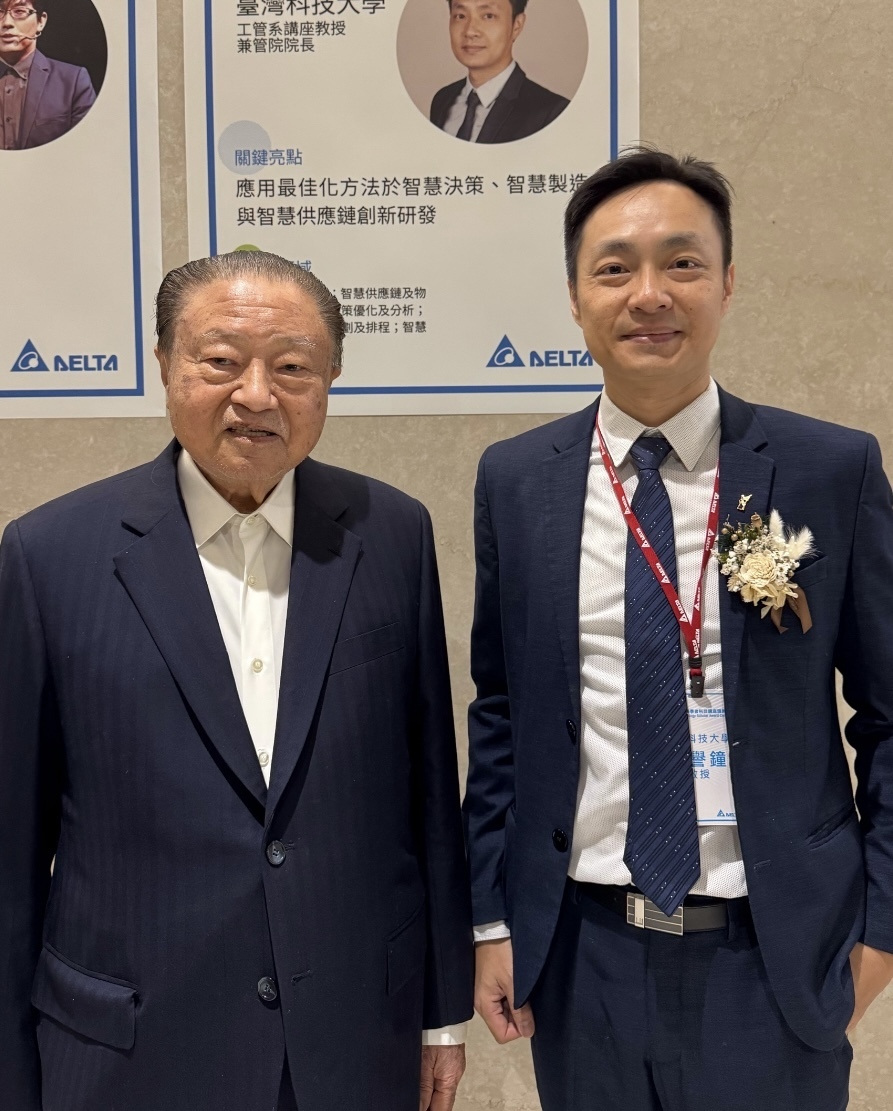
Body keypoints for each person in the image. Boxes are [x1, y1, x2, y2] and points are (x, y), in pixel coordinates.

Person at [464, 147, 893, 1111]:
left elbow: (889, 714)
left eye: (683, 263)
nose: (648, 293)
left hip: (777, 955)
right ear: (575, 297)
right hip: (580, 955)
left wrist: (880, 938)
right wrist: (491, 917)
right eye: (613, 267)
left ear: (728, 283)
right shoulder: (516, 481)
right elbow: (501, 714)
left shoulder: (829, 468)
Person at [0, 252, 473, 1111]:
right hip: (128, 1051)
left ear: (330, 379)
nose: (256, 394)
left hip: (349, 1040)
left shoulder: (392, 534)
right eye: (220, 360)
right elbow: (12, 844)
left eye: (292, 367)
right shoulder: (48, 556)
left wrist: (441, 1015)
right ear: (165, 364)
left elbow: (428, 796)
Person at [430, 0, 569, 145]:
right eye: (460, 16)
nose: (470, 31)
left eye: (488, 16)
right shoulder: (442, 100)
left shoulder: (551, 113)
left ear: (517, 25)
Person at [0, 3, 95, 150]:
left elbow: (87, 148)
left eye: (19, 11)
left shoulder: (73, 82)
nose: (7, 23)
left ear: (40, 22)